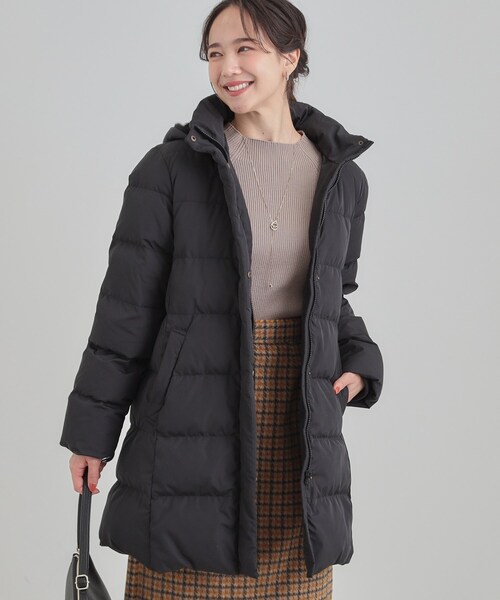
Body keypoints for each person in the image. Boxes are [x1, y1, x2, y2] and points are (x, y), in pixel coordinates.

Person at [60, 0, 384, 598]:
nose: (226, 67)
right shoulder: (170, 170)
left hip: (299, 431)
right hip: (189, 430)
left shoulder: (343, 179)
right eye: (214, 53)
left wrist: (361, 362)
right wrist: (90, 434)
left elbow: (333, 298)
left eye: (244, 49)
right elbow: (124, 314)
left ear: (290, 57)